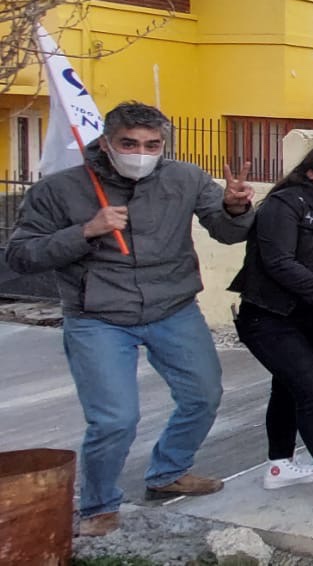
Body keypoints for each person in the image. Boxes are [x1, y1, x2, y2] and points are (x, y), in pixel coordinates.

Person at [6, 102, 255, 536]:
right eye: (129, 143)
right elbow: (21, 255)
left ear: (163, 145)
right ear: (106, 143)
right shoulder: (60, 189)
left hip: (172, 307)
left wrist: (235, 209)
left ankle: (169, 471)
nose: (141, 153)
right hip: (97, 317)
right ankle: (99, 506)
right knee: (114, 419)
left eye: (151, 145)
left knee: (203, 395)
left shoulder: (186, 177)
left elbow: (227, 232)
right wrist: (85, 231)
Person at [229, 141, 313, 515]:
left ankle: (279, 465)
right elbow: (279, 262)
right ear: (311, 172)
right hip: (270, 314)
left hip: (312, 316)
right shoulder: (286, 203)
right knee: (310, 391)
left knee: (288, 387)